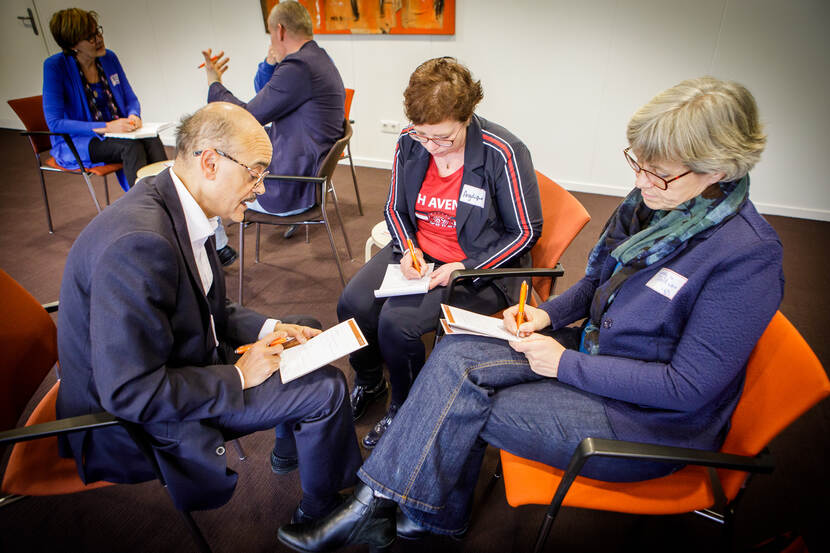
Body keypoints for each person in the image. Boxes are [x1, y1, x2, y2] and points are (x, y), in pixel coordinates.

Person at [276, 76, 785, 551]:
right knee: (455, 351)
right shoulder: (651, 205)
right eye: (638, 162)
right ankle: (413, 515)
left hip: (646, 420)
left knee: (461, 404)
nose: (641, 181)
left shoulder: (745, 255)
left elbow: (687, 388)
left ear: (718, 170)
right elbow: (594, 285)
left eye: (658, 172)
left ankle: (394, 513)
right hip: (598, 350)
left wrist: (563, 365)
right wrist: (548, 317)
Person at [56, 102, 362, 521]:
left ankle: (291, 451)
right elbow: (130, 394)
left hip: (174, 362)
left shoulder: (176, 203)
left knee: (302, 330)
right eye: (255, 173)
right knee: (324, 387)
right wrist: (240, 374)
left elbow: (204, 302)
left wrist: (275, 327)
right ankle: (323, 512)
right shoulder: (138, 246)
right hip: (131, 422)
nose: (262, 189)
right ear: (211, 162)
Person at [337, 57, 542, 449]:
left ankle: (406, 407)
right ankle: (369, 381)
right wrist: (409, 248)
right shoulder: (409, 141)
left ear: (468, 116)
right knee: (352, 304)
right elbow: (395, 209)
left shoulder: (503, 152)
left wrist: (463, 268)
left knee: (398, 325)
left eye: (443, 138)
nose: (431, 146)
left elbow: (526, 231)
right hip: (421, 252)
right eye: (423, 136)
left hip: (477, 263)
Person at [201, 0, 345, 245]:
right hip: (306, 181)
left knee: (204, 179)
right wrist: (270, 64)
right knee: (225, 153)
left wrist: (214, 83)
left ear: (279, 30)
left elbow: (248, 115)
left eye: (270, 34)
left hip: (289, 189)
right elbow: (268, 97)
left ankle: (218, 247)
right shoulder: (317, 58)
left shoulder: (299, 67)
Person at [43, 8, 167, 193]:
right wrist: (107, 127)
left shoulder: (109, 58)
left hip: (117, 131)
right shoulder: (55, 67)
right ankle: (143, 207)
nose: (99, 39)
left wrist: (133, 115)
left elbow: (130, 98)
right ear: (72, 45)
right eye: (90, 37)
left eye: (97, 32)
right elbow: (55, 123)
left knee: (152, 138)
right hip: (81, 140)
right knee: (130, 147)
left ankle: (167, 196)